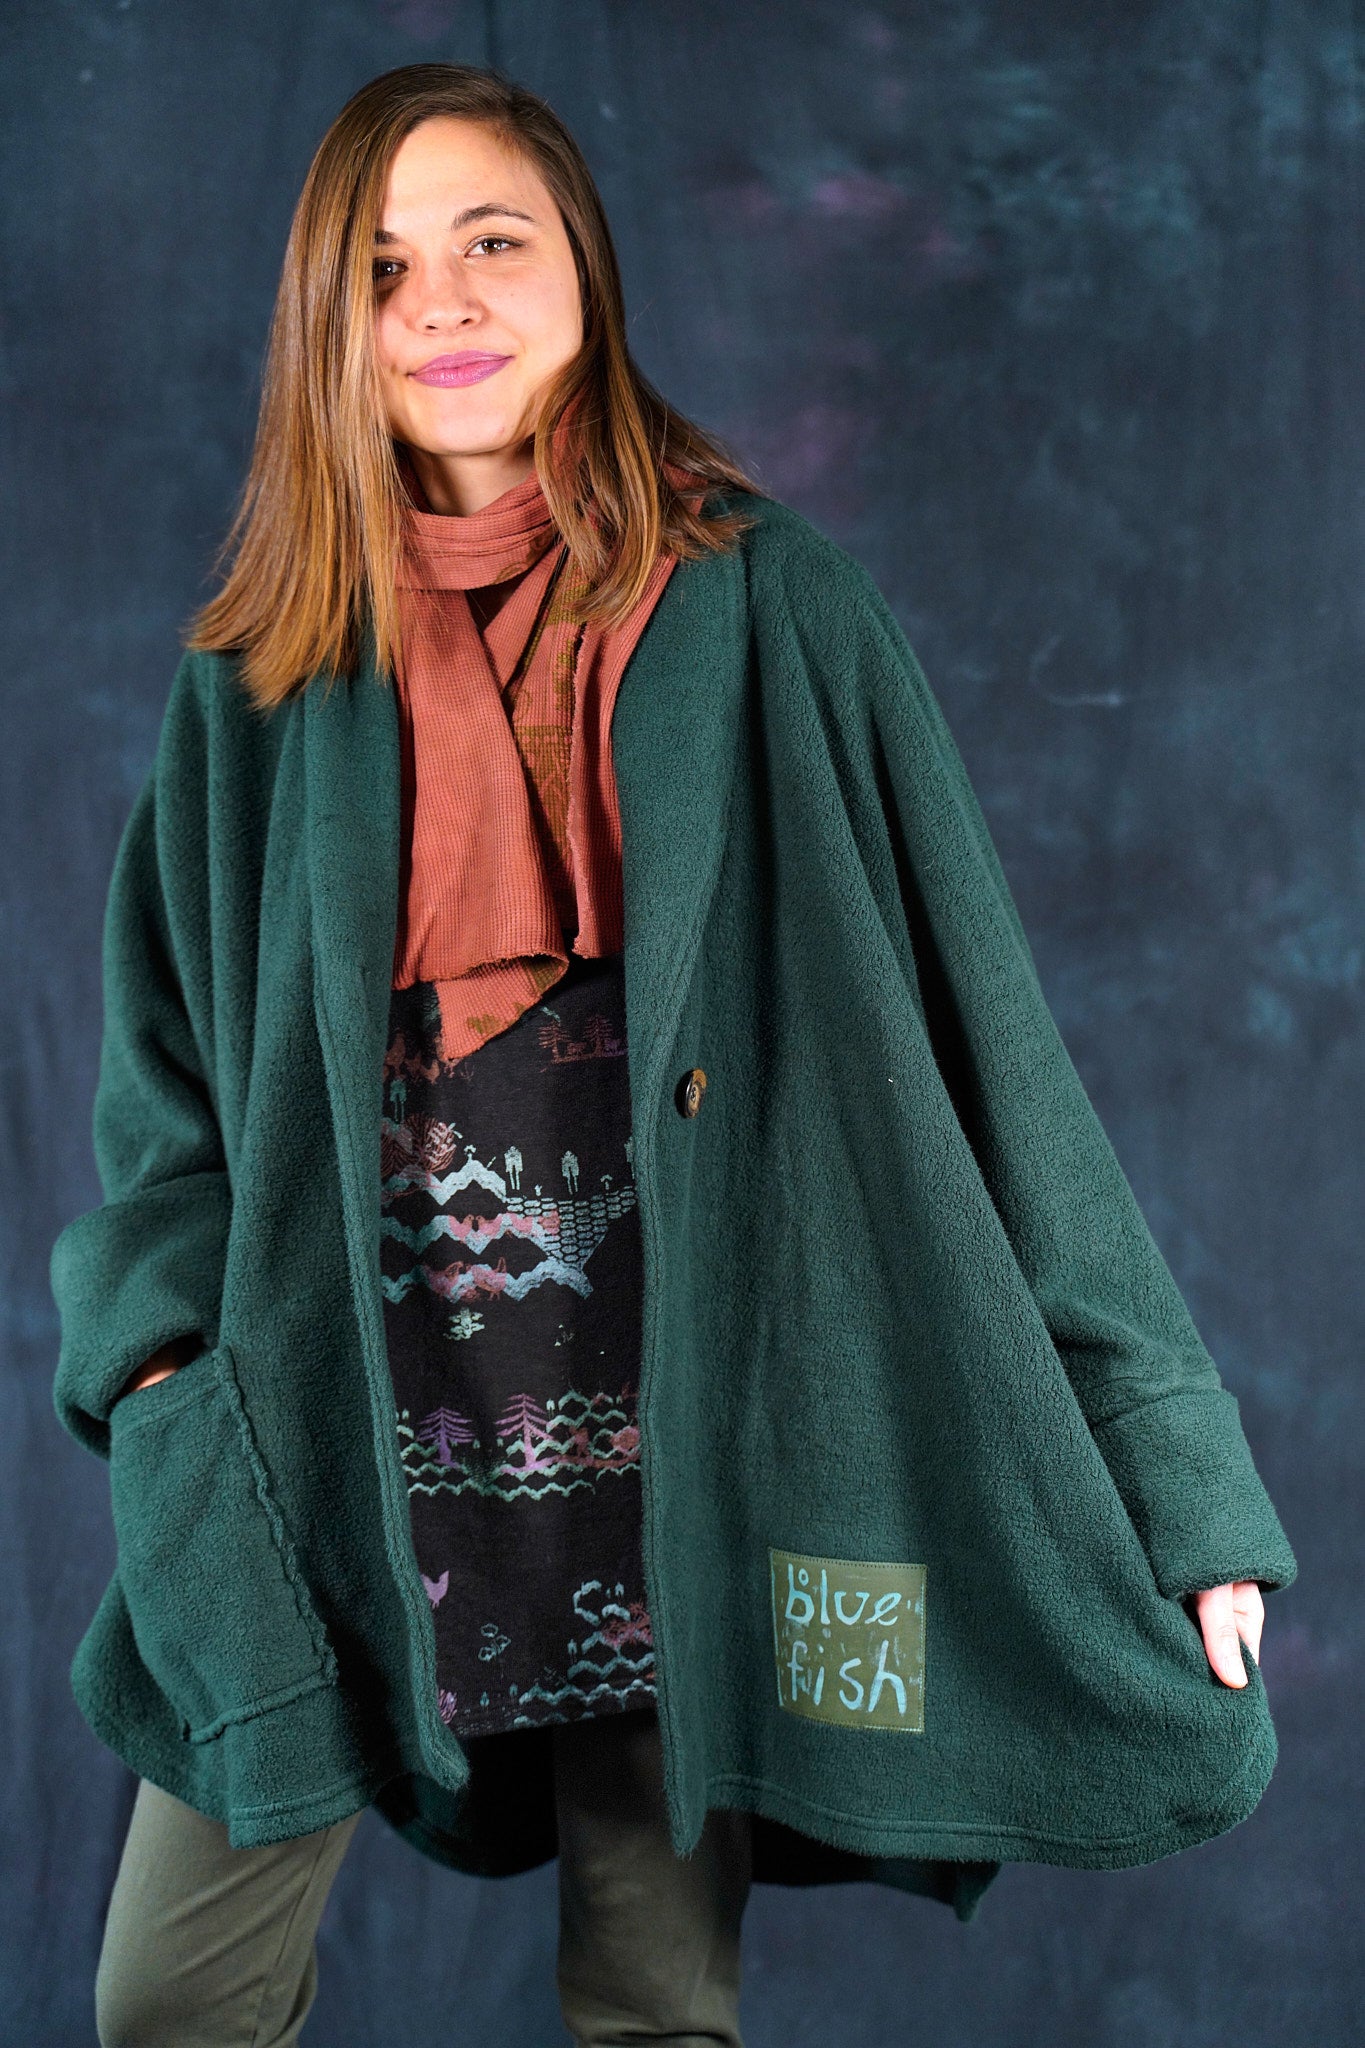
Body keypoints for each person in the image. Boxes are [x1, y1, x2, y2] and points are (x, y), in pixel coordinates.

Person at [50, 60, 1297, 2048]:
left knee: (651, 2009)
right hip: (338, 1430)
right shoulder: (258, 675)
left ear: (585, 268)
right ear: (325, 323)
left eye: (491, 241)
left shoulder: (773, 609)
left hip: (683, 1428)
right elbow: (164, 1098)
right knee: (168, 2001)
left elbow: (989, 1052)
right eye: (382, 267)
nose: (442, 302)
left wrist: (1173, 1475)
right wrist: (159, 1368)